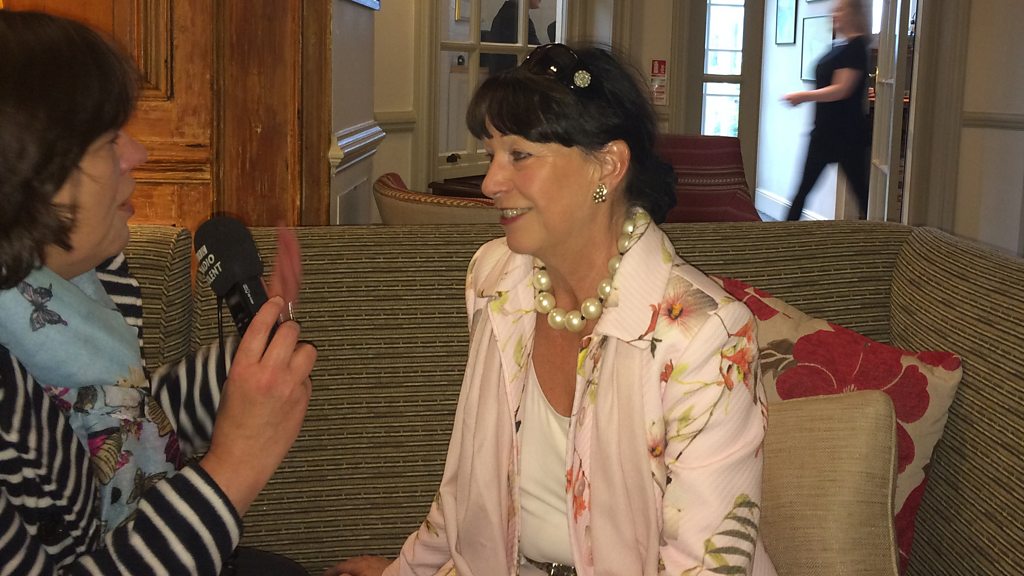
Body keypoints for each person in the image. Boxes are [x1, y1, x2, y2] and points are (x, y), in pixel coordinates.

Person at [327, 43, 776, 576]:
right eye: (491, 154)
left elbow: (704, 566)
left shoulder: (706, 337)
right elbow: (468, 487)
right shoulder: (495, 277)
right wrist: (405, 572)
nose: (491, 183)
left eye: (519, 155)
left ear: (607, 165)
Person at [0, 10, 316, 574]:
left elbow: (124, 419)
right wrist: (234, 468)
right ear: (28, 173)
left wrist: (249, 366)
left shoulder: (73, 287)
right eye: (108, 140)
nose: (138, 155)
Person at [783, 0, 870, 220]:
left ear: (853, 14)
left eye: (840, 10)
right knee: (802, 191)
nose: (834, 14)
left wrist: (803, 96)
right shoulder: (841, 46)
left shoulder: (857, 48)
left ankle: (880, 235)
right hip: (825, 132)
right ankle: (781, 235)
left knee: (862, 194)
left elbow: (841, 89)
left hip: (846, 135)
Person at [486, 0, 542, 77]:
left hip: (501, 76)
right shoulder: (517, 17)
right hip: (511, 77)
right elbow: (536, 50)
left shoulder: (509, 12)